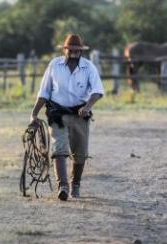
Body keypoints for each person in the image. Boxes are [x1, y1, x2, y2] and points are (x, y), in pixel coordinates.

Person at [30, 34, 104, 201]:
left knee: (80, 153)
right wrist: (34, 113)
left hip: (80, 114)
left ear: (81, 51)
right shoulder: (54, 65)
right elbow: (44, 91)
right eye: (70, 49)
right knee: (59, 149)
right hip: (57, 114)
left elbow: (97, 91)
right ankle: (62, 186)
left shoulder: (89, 67)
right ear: (65, 50)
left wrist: (87, 107)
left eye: (77, 50)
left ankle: (75, 184)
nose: (74, 52)